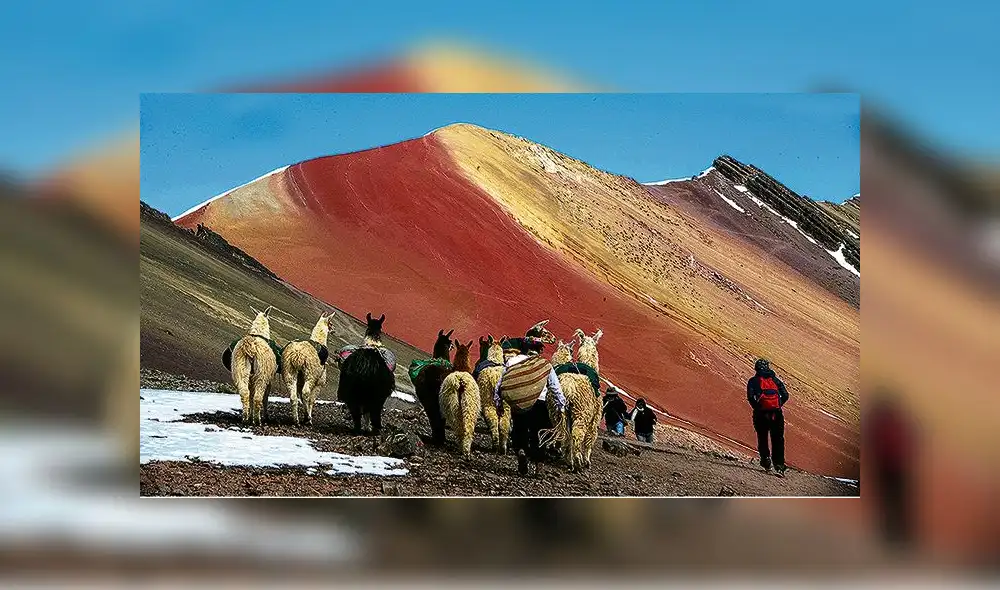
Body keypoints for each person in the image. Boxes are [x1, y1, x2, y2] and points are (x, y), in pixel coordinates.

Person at [493, 322, 567, 476]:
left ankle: (520, 450)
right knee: (539, 433)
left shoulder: (512, 361)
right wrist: (561, 406)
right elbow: (555, 387)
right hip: (539, 403)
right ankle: (539, 466)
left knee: (519, 430)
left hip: (518, 403)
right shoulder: (544, 364)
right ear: (539, 349)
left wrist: (498, 402)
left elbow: (500, 383)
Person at [746, 358, 789, 474]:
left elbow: (750, 397)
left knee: (762, 437)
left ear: (756, 368)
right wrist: (778, 405)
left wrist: (757, 407)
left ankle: (766, 461)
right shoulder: (775, 380)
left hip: (761, 414)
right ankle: (779, 466)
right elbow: (785, 395)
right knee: (778, 439)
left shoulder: (753, 381)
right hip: (776, 414)